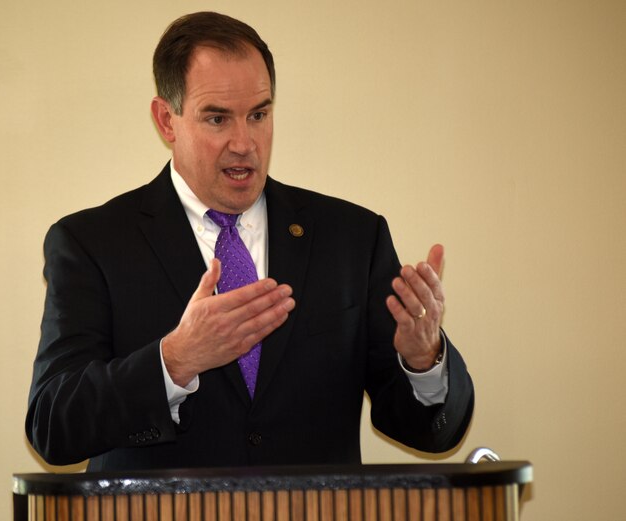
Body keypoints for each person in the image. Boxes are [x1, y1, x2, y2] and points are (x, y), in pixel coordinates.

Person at [26, 11, 474, 471]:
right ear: (167, 120)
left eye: (258, 114)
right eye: (217, 119)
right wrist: (174, 361)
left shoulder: (352, 238)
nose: (244, 142)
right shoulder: (91, 244)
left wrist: (424, 360)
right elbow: (52, 426)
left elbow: (425, 430)